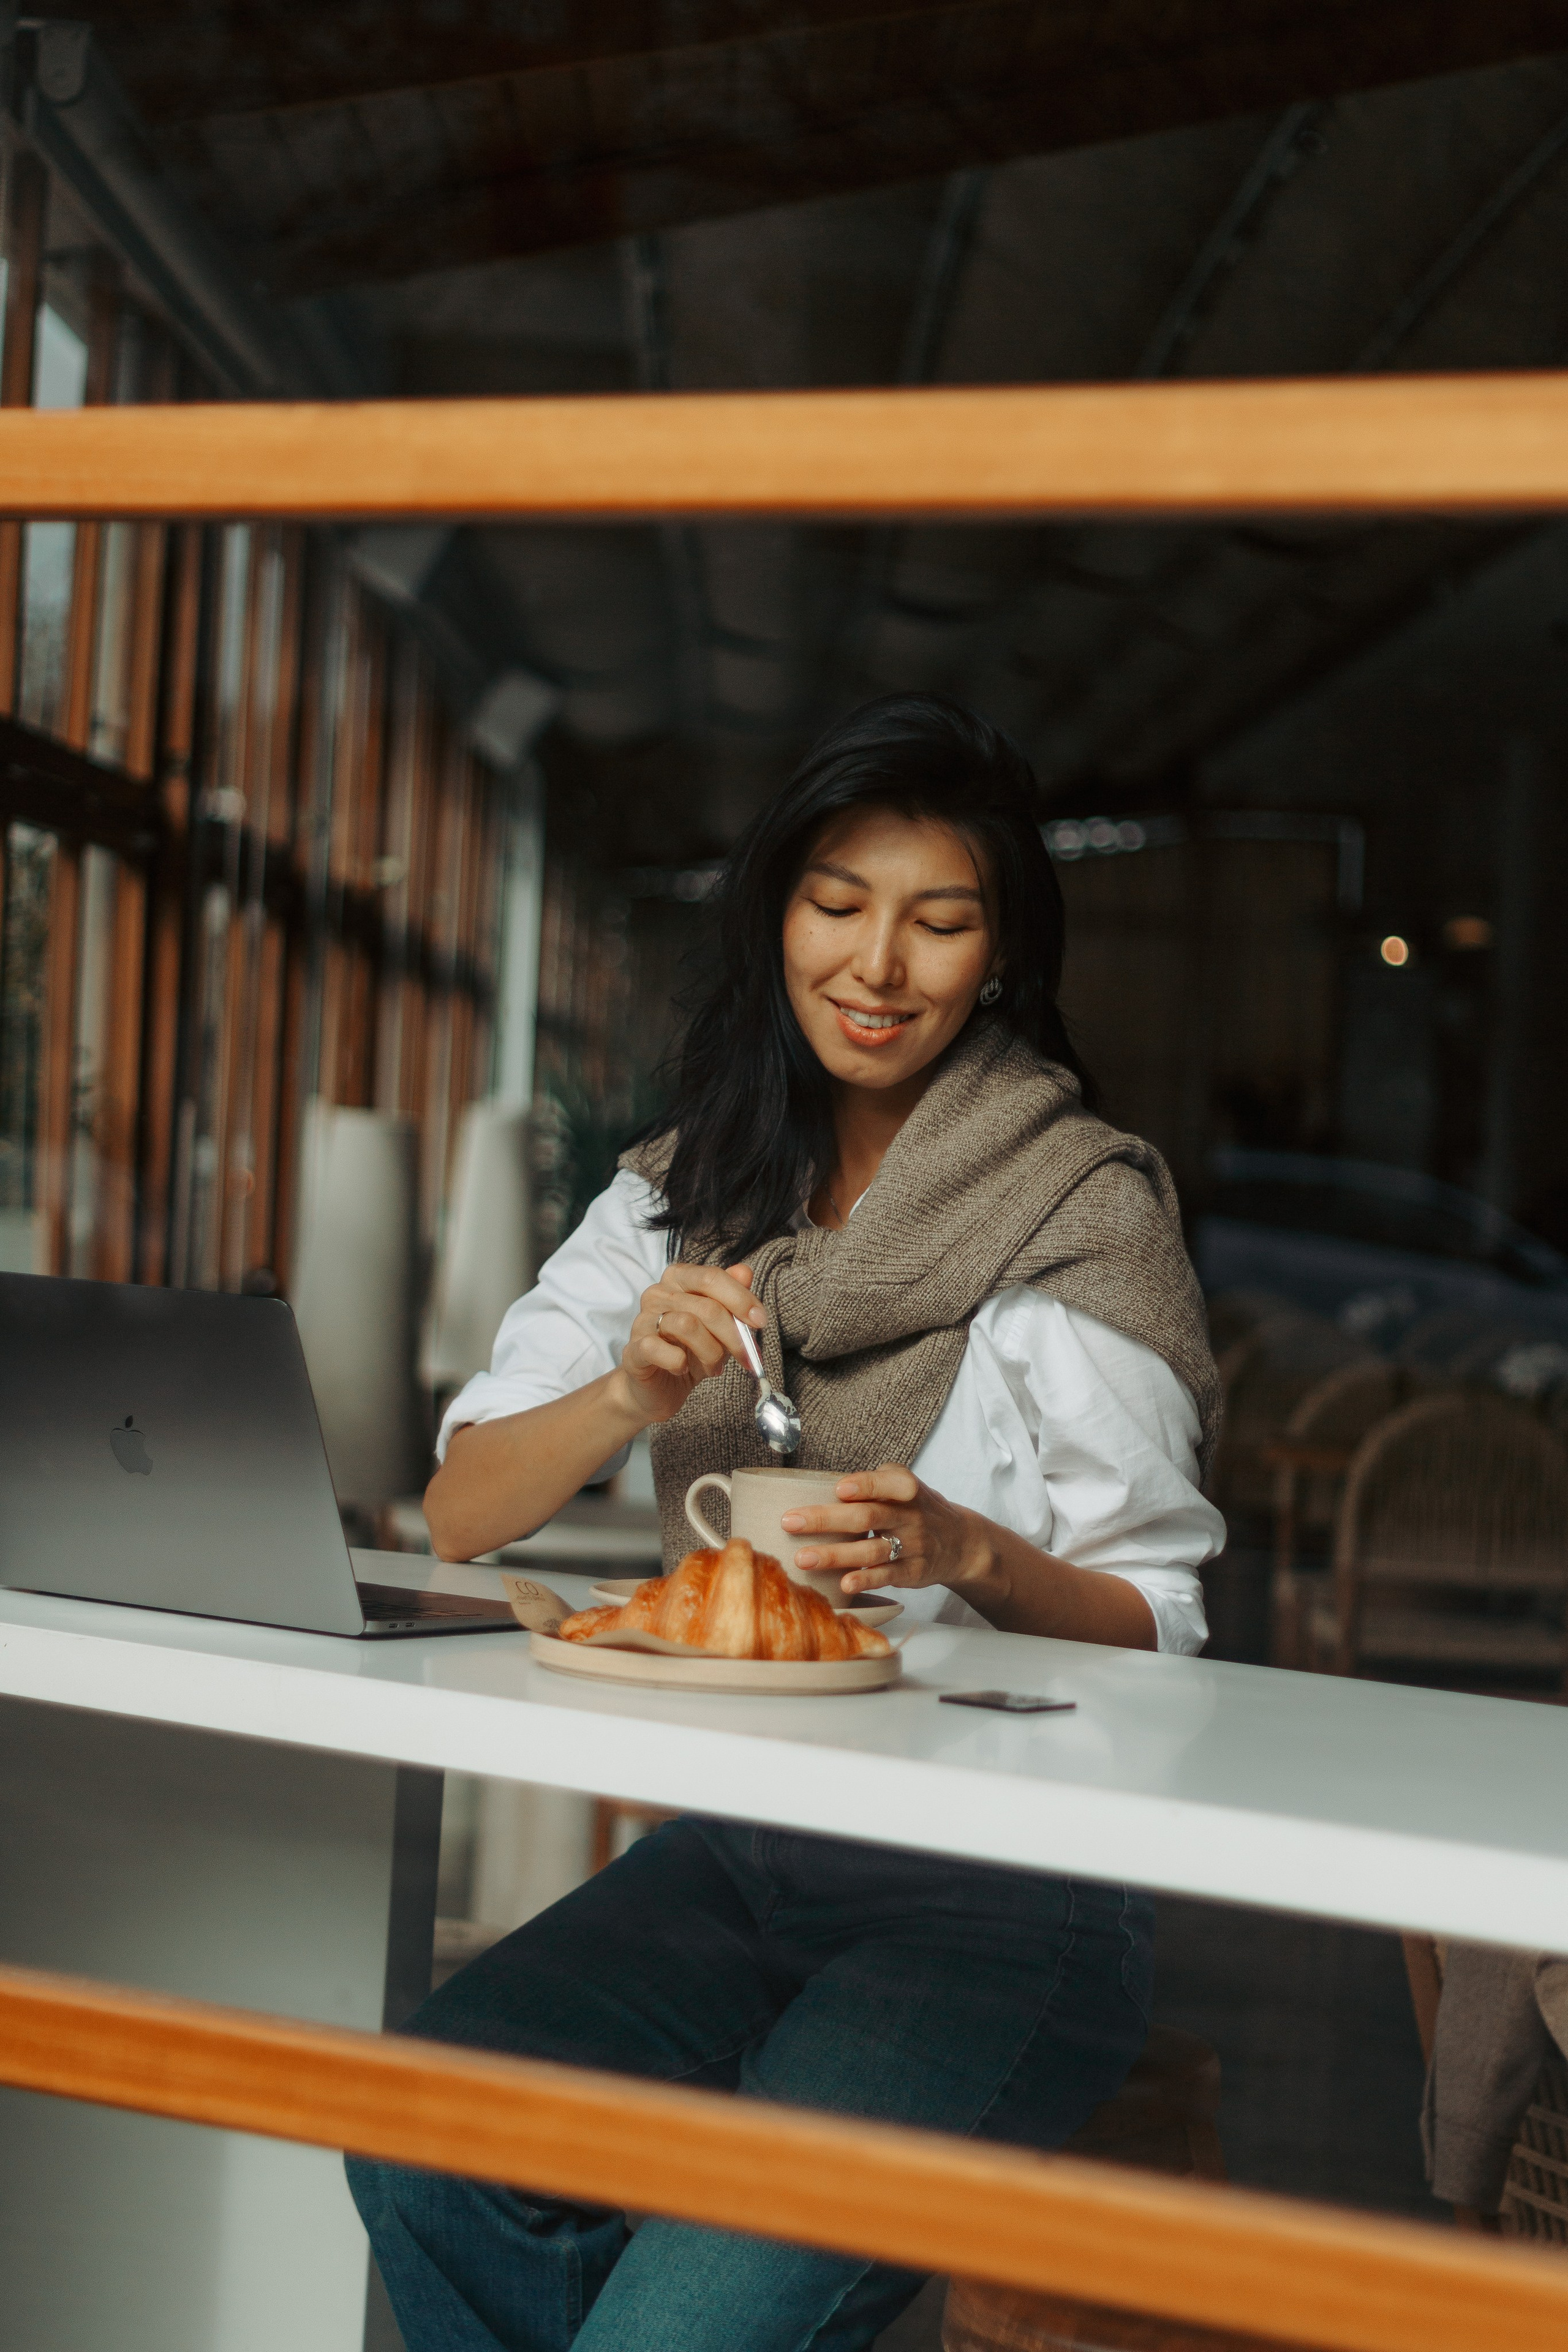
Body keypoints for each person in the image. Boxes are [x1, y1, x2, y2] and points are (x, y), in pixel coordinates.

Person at [347, 692, 1224, 2352]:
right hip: (746, 1857)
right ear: (775, 918)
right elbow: (462, 1516)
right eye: (839, 904)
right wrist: (624, 1395)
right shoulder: (683, 1195)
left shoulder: (1080, 1214)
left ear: (1001, 958)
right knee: (425, 2133)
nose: (879, 966)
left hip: (1010, 1902)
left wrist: (970, 1552)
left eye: (939, 921)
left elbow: (1161, 1618)